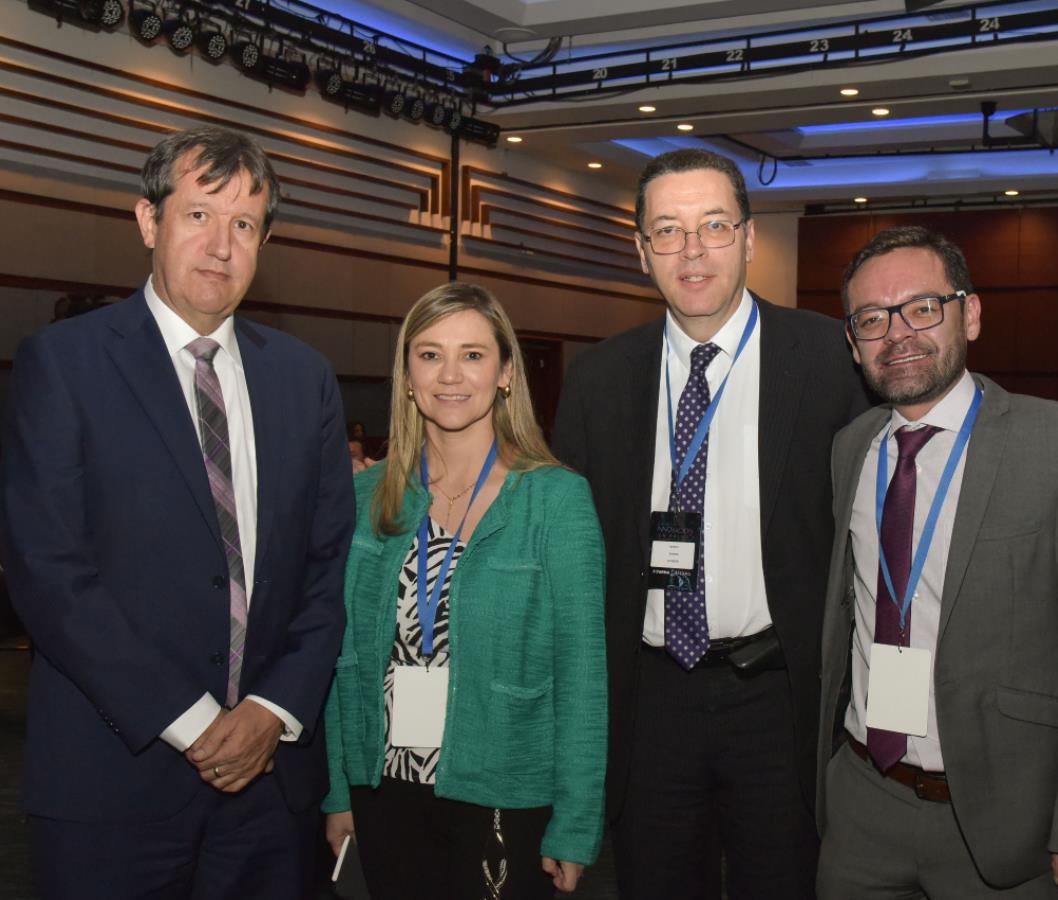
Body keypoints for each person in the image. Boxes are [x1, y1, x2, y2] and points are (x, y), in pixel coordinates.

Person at [0, 126, 355, 899]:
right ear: (148, 221)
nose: (221, 245)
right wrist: (191, 721)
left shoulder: (305, 380)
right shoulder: (63, 364)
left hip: (271, 787)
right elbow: (48, 572)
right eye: (199, 215)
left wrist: (273, 708)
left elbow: (330, 570)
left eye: (245, 224)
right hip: (112, 781)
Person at [551, 148, 870, 899]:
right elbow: (570, 553)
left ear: (750, 239)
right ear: (641, 251)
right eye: (668, 230)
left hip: (780, 699)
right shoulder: (600, 378)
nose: (692, 251)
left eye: (714, 226)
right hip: (650, 699)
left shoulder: (829, 358)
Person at [816, 225, 1058, 898]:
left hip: (1003, 818)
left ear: (971, 312)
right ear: (853, 342)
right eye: (873, 318)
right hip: (862, 804)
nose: (897, 332)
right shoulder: (852, 447)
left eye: (922, 307)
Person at [323, 282, 607, 899]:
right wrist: (339, 790)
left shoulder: (556, 500)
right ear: (405, 376)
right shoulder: (365, 499)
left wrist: (577, 823)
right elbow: (343, 660)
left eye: (473, 355)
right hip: (384, 789)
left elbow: (583, 677)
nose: (451, 374)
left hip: (504, 790)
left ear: (506, 373)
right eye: (429, 355)